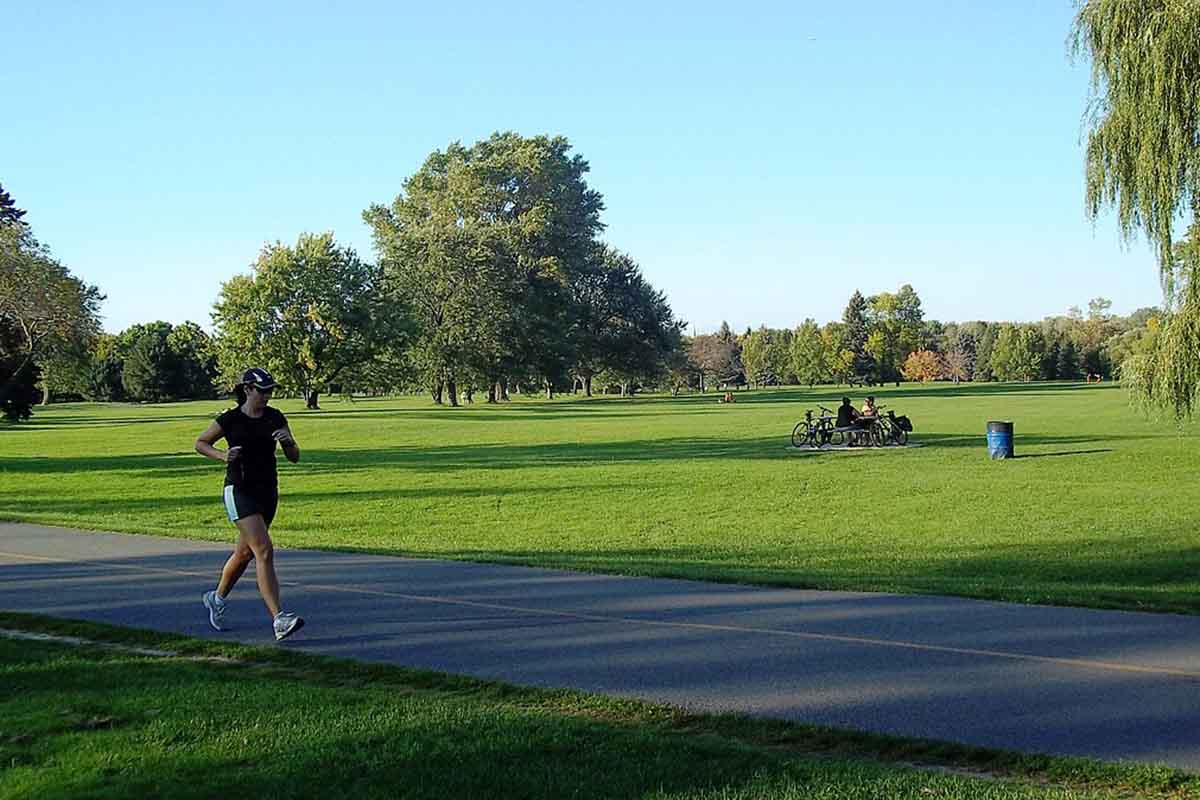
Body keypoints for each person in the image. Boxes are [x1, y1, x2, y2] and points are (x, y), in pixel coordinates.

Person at [194, 367, 304, 641]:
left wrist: (289, 442)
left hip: (267, 491)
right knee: (263, 550)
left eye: (270, 391)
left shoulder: (275, 417)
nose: (267, 396)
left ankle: (216, 598)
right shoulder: (230, 420)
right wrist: (222, 455)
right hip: (239, 490)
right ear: (247, 390)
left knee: (245, 553)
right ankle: (279, 619)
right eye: (262, 391)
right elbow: (201, 443)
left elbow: (294, 456)